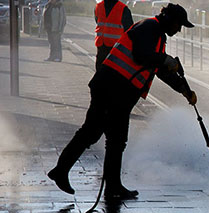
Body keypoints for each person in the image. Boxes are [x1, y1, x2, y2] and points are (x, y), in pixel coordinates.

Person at [47, 4, 198, 200]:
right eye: (178, 25)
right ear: (169, 20)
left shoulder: (158, 35)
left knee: (115, 140)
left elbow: (159, 70)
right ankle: (63, 171)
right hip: (111, 88)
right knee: (93, 133)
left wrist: (185, 90)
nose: (179, 30)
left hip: (118, 91)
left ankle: (111, 186)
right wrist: (165, 60)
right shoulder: (149, 28)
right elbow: (142, 55)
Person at [94, 0, 134, 70]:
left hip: (115, 49)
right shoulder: (98, 7)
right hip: (102, 46)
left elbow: (129, 31)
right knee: (101, 72)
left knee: (110, 73)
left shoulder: (123, 9)